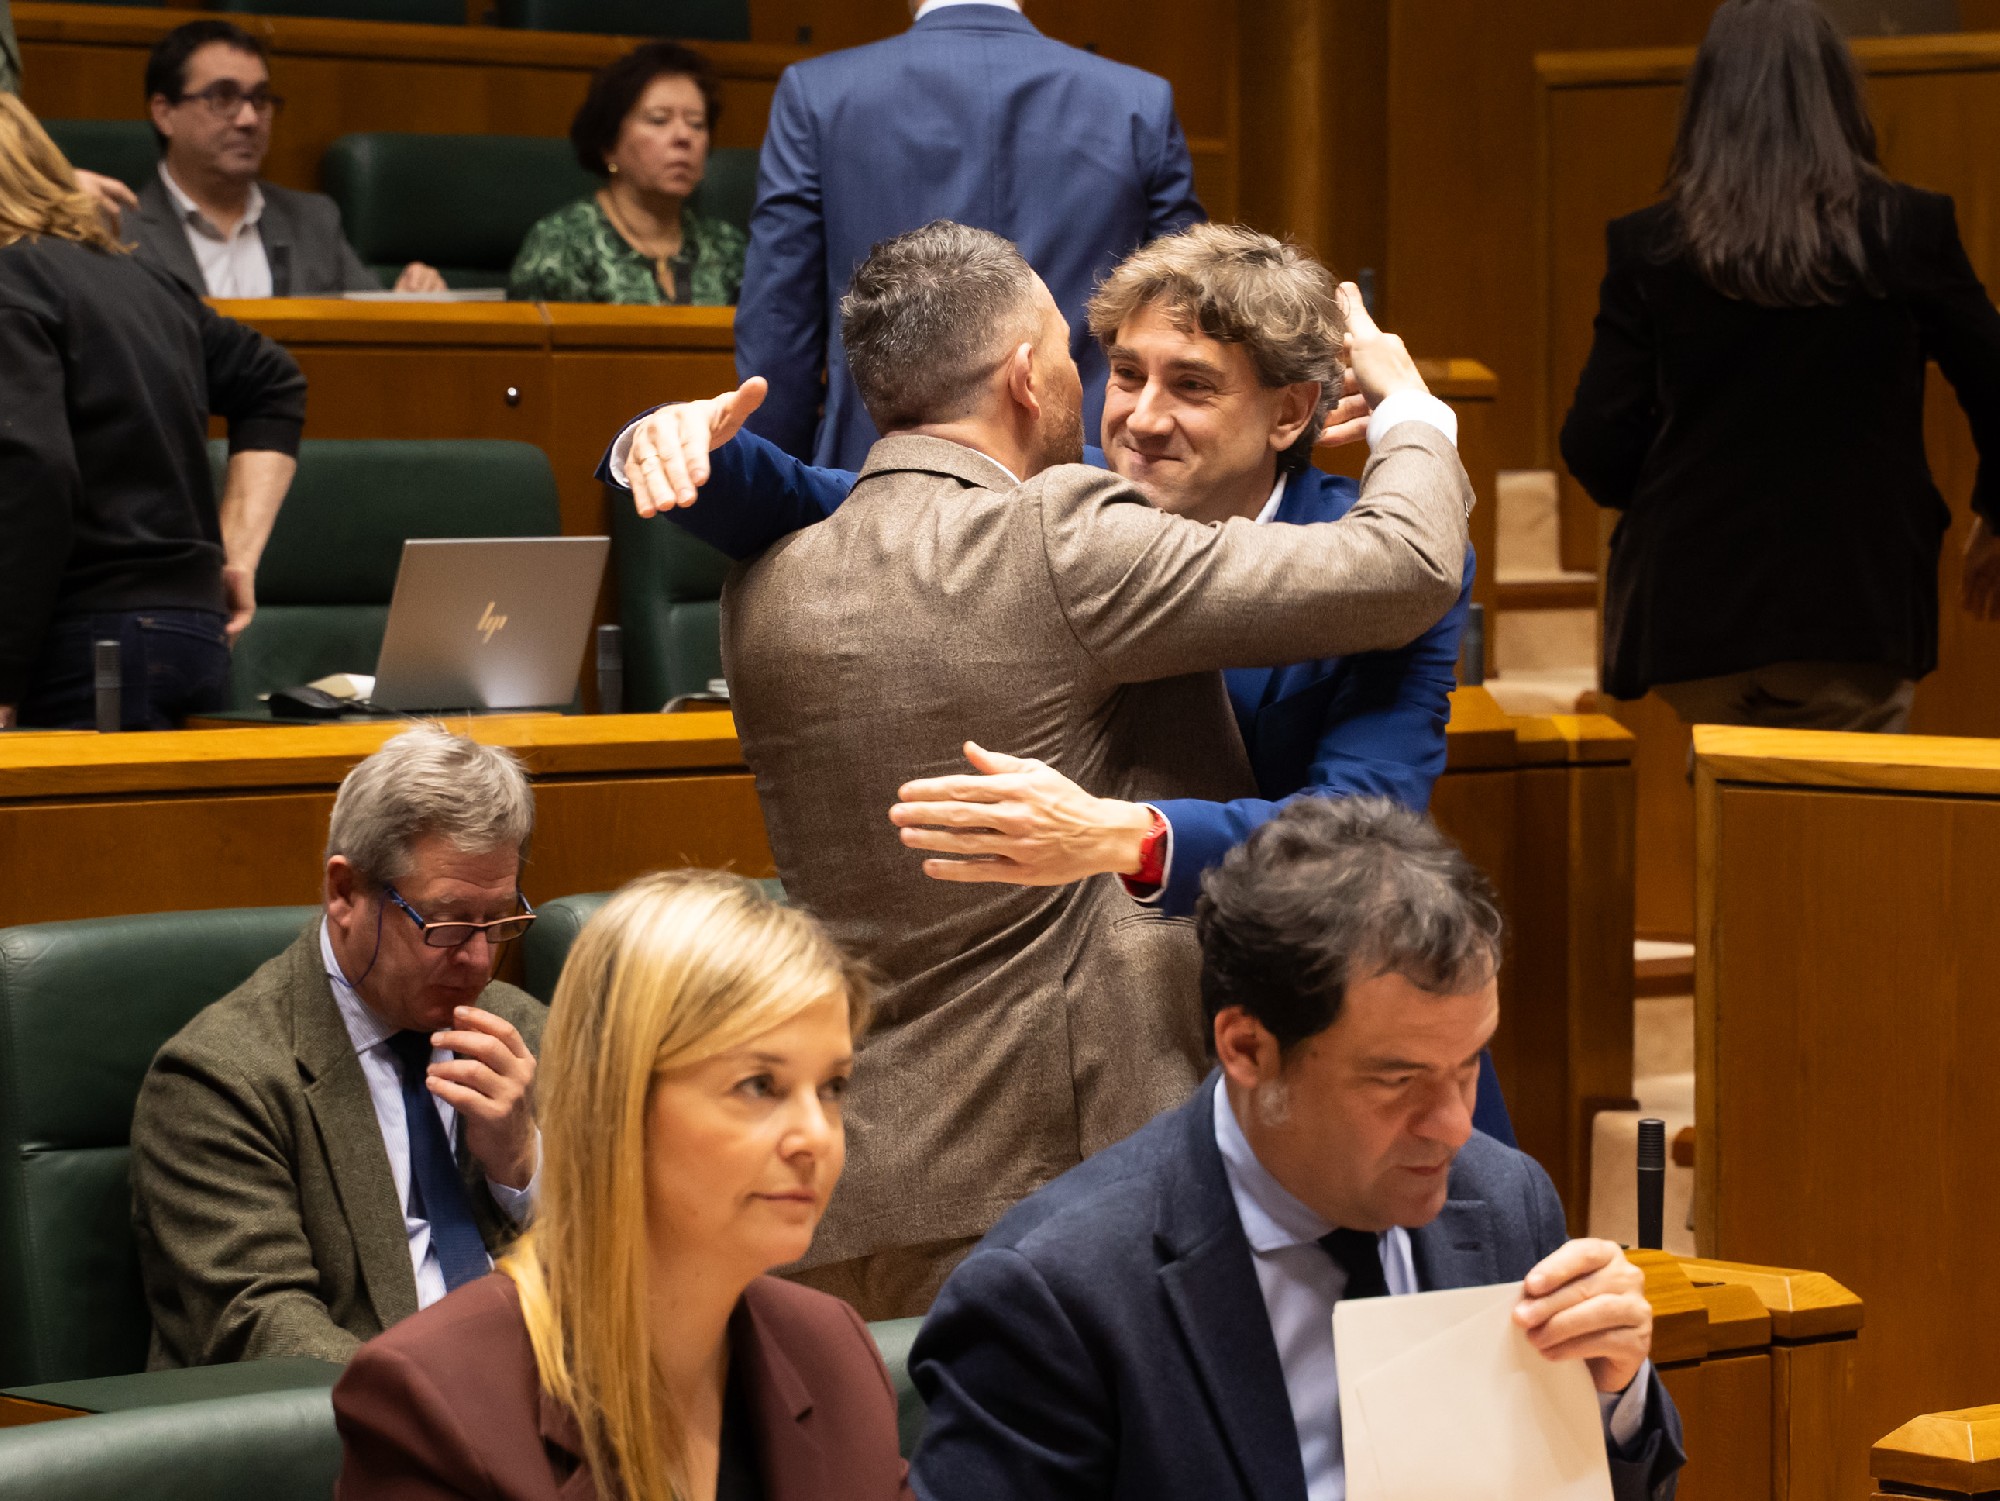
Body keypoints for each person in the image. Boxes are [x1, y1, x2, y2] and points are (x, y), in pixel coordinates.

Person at [605, 220, 1471, 1318]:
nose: (1137, 414)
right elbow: (890, 508)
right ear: (1031, 374)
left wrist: (1140, 840)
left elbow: (1367, 830)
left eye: (1192, 385)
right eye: (1119, 370)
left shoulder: (788, 576)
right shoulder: (1054, 532)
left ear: (1290, 411)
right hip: (1088, 1158)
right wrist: (670, 442)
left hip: (1302, 1101)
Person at [908, 797, 1686, 1501]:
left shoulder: (1506, 1198)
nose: (1454, 1124)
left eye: (1468, 1064)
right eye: (1399, 1079)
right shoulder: (1056, 1296)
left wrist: (1612, 1396)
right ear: (1247, 1048)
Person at [332, 870, 911, 1501]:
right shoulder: (433, 1400)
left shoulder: (832, 1352)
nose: (816, 1138)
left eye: (831, 1087)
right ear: (618, 1100)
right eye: (759, 1086)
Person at [1560, 0, 2000, 733]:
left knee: (1726, 799)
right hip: (1857, 608)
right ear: (1838, 98)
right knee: (1837, 805)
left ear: (1708, 104)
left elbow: (1592, 444)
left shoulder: (1653, 245)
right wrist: (1995, 516)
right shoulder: (1906, 229)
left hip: (1691, 616)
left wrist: (1682, 500)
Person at [131, 727, 546, 1365]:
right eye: (447, 923)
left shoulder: (525, 1035)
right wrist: (451, 1407)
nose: (479, 960)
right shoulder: (219, 1080)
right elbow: (264, 1327)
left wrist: (521, 1171)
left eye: (497, 922)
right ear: (345, 893)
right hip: (357, 1413)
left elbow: (627, 1261)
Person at [737, 0, 1204, 469]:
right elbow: (1186, 308)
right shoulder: (1138, 102)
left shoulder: (820, 95)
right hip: (1085, 470)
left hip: (878, 473)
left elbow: (779, 323)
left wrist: (779, 487)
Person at [0, 93, 303, 732]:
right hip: (189, 635)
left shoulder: (9, 282)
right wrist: (234, 558)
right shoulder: (140, 278)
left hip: (86, 645)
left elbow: (33, 469)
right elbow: (273, 381)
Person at [127, 21, 442, 298]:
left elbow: (367, 328)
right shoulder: (121, 232)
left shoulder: (313, 221)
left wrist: (411, 303)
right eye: (223, 97)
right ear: (164, 114)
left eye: (260, 99)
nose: (249, 119)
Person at [509, 41, 745, 307]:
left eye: (696, 124)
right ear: (609, 144)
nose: (684, 136)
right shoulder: (563, 246)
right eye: (659, 120)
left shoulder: (728, 249)